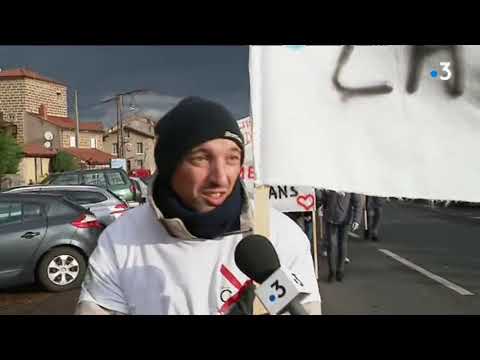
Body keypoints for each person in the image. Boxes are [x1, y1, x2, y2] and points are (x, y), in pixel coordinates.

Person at [75, 97, 321, 315]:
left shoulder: (276, 236)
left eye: (232, 158)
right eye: (201, 158)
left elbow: (302, 309)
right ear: (170, 165)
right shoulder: (120, 241)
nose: (221, 177)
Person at [317, 190, 363, 282]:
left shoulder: (349, 185)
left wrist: (357, 220)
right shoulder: (330, 183)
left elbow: (358, 203)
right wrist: (320, 202)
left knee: (342, 245)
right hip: (330, 219)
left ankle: (340, 271)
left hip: (345, 220)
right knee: (331, 245)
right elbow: (322, 198)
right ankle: (332, 272)